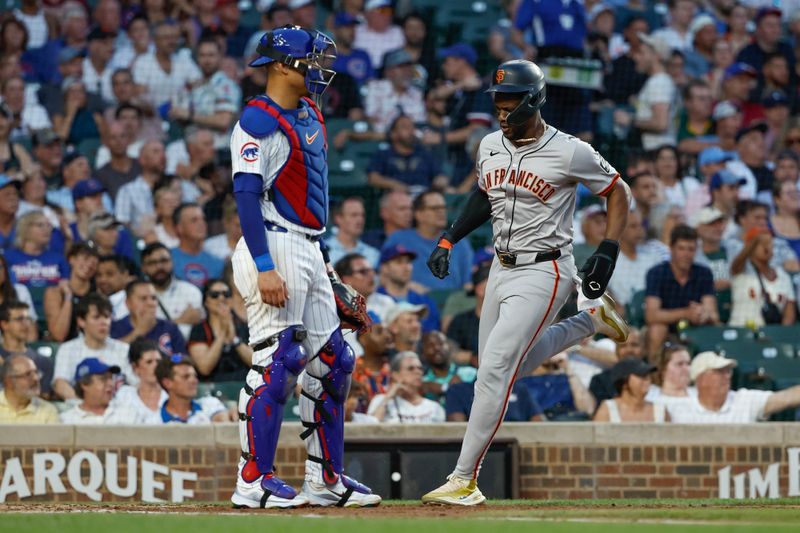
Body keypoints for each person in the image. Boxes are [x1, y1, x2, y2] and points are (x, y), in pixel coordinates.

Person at [422, 60, 632, 506]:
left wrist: (608, 250)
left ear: (534, 100)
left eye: (511, 100)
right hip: (500, 268)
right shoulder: (489, 144)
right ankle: (589, 321)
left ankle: (464, 479)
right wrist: (449, 236)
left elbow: (618, 190)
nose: (502, 109)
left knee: (496, 368)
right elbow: (484, 193)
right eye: (498, 100)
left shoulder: (571, 151)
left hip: (547, 268)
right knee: (501, 370)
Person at [227, 26, 380, 508]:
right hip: (271, 242)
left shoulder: (310, 112)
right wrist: (265, 265)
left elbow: (308, 199)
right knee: (278, 362)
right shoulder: (258, 122)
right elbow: (247, 199)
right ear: (279, 66)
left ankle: (325, 480)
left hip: (308, 246)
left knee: (334, 362)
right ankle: (253, 480)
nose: (318, 69)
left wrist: (323, 265)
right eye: (310, 61)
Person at [644, 224, 719, 356]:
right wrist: (686, 313)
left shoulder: (704, 273)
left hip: (696, 329)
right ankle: (654, 373)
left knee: (716, 327)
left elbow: (712, 313)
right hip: (668, 329)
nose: (686, 254)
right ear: (671, 249)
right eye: (681, 248)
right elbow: (651, 315)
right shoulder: (656, 273)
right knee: (657, 329)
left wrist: (702, 314)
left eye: (690, 249)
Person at [667, 351, 800, 423]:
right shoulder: (679, 409)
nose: (727, 376)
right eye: (720, 372)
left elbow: (786, 398)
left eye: (728, 371)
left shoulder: (744, 400)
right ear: (701, 379)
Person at [384, 190, 474, 291]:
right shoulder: (398, 239)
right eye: (435, 208)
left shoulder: (460, 242)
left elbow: (468, 284)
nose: (441, 211)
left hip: (452, 304)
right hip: (411, 302)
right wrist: (408, 286)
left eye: (443, 207)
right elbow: (382, 276)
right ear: (418, 214)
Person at [728, 228, 796, 327]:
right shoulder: (743, 270)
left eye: (770, 244)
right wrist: (752, 243)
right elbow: (736, 265)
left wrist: (781, 334)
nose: (767, 247)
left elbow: (789, 313)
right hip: (740, 328)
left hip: (770, 333)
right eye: (762, 244)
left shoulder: (783, 276)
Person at [188, 279, 252, 382]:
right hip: (211, 390)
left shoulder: (245, 327)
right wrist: (222, 334)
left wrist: (234, 339)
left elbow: (256, 363)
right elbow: (204, 368)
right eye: (214, 295)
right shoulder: (199, 330)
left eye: (226, 294)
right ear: (206, 302)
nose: (221, 298)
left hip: (245, 386)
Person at [367, 114, 448, 193]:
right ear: (393, 134)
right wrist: (393, 184)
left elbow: (440, 175)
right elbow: (373, 178)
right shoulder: (383, 154)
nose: (411, 131)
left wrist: (440, 182)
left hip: (424, 196)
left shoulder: (424, 153)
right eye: (405, 127)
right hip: (396, 197)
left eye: (412, 127)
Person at [139, 242, 204, 339]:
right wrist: (181, 320)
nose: (159, 267)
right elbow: (140, 334)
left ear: (172, 262)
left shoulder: (191, 292)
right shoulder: (136, 296)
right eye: (152, 263)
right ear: (143, 268)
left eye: (164, 261)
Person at [110, 279, 187, 356]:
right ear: (128, 303)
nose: (151, 303)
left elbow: (182, 358)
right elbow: (110, 356)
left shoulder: (169, 328)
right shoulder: (115, 328)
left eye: (153, 298)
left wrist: (171, 360)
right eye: (143, 298)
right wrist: (139, 332)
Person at [375, 244, 440, 332]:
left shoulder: (425, 302)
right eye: (399, 262)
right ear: (385, 268)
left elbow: (431, 333)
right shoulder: (375, 301)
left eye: (408, 262)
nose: (406, 267)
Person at [367, 351, 445, 423]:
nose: (418, 372)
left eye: (420, 368)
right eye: (411, 368)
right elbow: (370, 428)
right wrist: (388, 396)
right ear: (395, 375)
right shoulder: (381, 400)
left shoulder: (434, 407)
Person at [43, 242, 98, 342]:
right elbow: (58, 335)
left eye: (94, 262)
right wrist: (68, 297)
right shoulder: (55, 293)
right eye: (85, 258)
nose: (89, 264)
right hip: (63, 349)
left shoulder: (98, 294)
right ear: (71, 260)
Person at [154, 354, 231, 424]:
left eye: (195, 376)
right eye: (186, 376)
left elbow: (223, 422)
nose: (194, 381)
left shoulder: (210, 405)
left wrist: (227, 417)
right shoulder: (154, 422)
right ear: (167, 383)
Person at [607, 209, 661, 308]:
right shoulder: (608, 260)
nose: (640, 230)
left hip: (651, 312)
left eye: (642, 225)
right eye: (633, 226)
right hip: (621, 317)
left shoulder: (653, 256)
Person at [60, 357, 139, 424]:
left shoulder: (127, 413)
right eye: (103, 379)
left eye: (111, 378)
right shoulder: (67, 420)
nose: (111, 384)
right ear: (84, 384)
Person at [109, 338, 167, 424]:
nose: (156, 366)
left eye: (158, 361)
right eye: (149, 362)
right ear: (135, 367)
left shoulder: (171, 395)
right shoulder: (124, 396)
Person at [593, 357, 669, 423]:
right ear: (624, 382)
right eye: (641, 375)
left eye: (648, 375)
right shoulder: (608, 410)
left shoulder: (660, 411)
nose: (647, 379)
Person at [0, 301, 52, 394]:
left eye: (28, 319)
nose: (26, 324)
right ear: (4, 324)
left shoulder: (42, 362)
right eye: (19, 319)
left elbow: (43, 400)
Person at [170, 202, 225, 288]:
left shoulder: (218, 263)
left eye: (203, 219)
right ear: (179, 228)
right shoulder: (167, 259)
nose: (202, 223)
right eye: (194, 220)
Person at [420, 330, 476, 405]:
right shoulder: (423, 383)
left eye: (441, 343)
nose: (437, 348)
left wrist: (445, 388)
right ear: (423, 354)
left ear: (449, 347)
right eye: (430, 345)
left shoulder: (470, 373)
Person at [0, 355, 58, 424]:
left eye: (36, 373)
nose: (36, 378)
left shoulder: (48, 411)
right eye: (28, 374)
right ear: (9, 382)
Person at [324, 197, 380, 268]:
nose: (360, 220)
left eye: (362, 215)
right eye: (354, 215)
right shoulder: (323, 251)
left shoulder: (373, 253)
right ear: (338, 218)